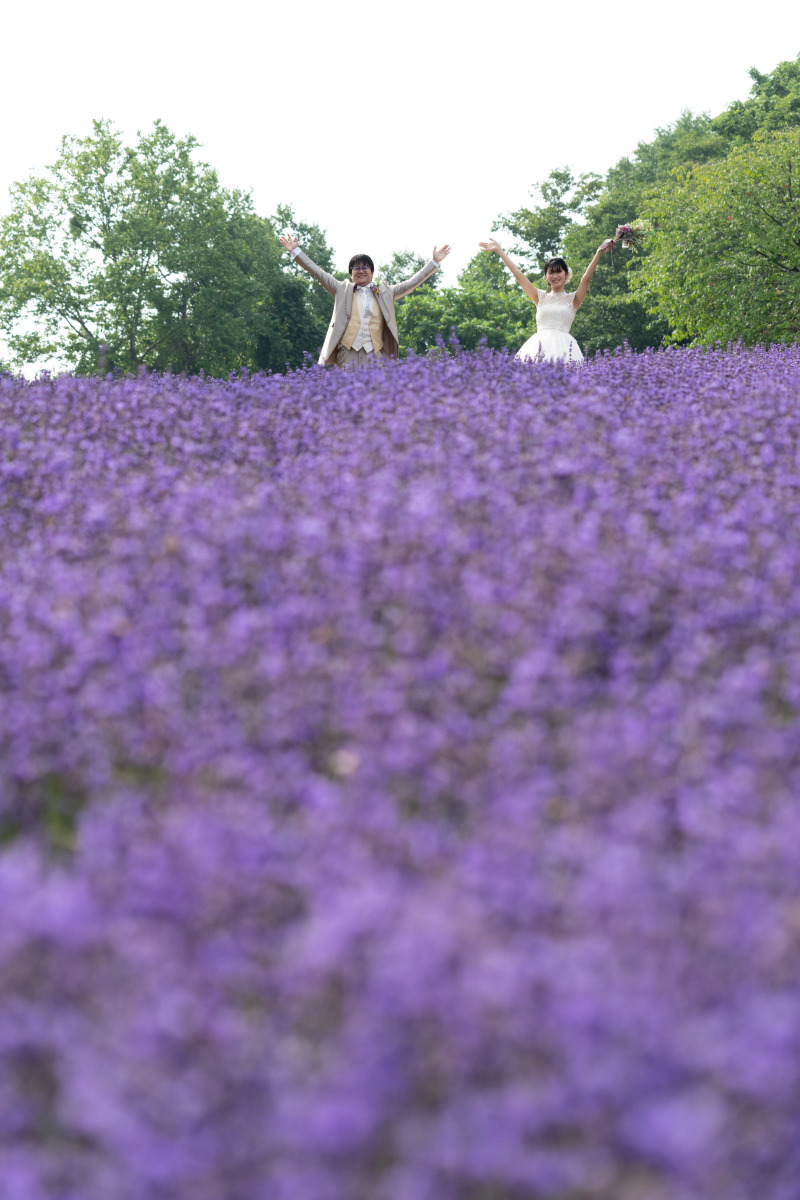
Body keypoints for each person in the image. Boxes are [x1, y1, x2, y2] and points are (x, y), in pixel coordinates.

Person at [279, 235, 451, 367]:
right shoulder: (342, 289)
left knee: (375, 397)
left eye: (365, 267)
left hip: (375, 353)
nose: (361, 270)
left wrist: (434, 262)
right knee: (346, 395)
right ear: (351, 273)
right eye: (356, 268)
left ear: (372, 272)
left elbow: (412, 283)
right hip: (347, 352)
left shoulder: (385, 292)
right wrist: (296, 252)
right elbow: (317, 272)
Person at [478, 237, 613, 363]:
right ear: (546, 277)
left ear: (566, 274)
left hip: (565, 349)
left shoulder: (574, 299)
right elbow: (518, 275)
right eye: (551, 272)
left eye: (558, 271)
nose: (555, 276)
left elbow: (586, 279)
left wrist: (598, 253)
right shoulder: (539, 296)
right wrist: (499, 250)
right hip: (537, 347)